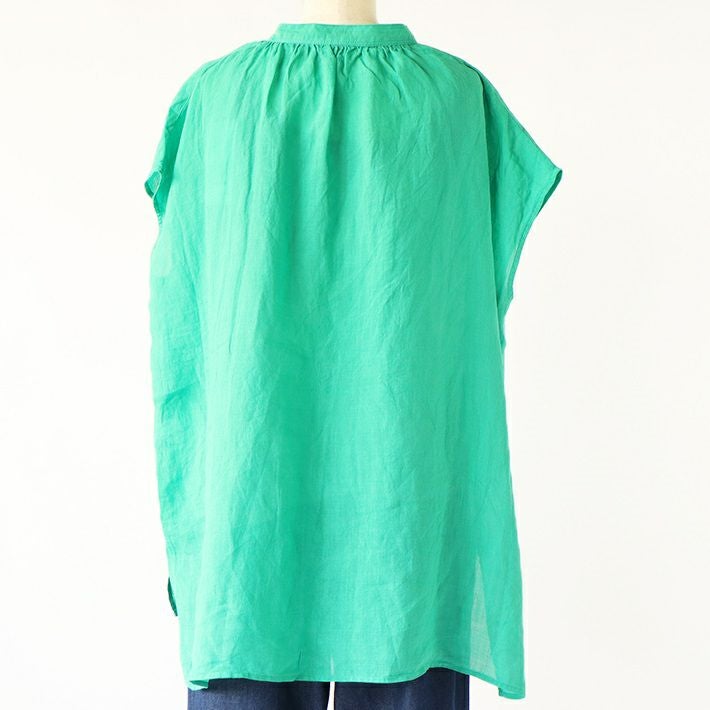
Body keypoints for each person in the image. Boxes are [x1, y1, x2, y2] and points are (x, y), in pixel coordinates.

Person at [144, 2, 563, 708]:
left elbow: (186, 309)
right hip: (405, 513)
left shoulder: (217, 96)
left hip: (253, 508)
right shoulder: (456, 98)